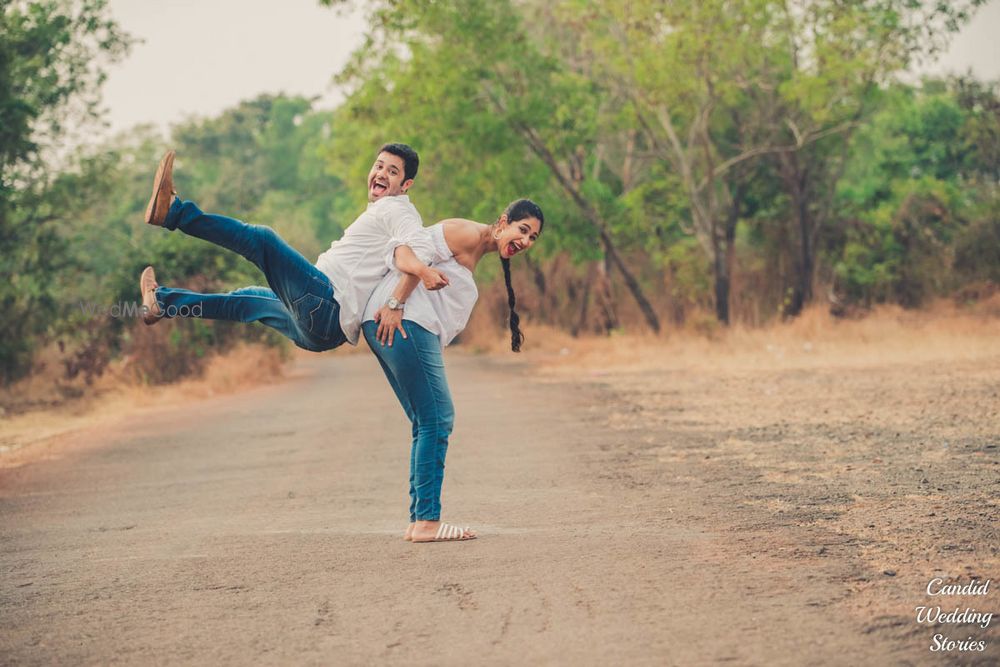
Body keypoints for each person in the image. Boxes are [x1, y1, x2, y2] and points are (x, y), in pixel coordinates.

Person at [138, 144, 449, 351]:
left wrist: (398, 303)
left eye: (392, 172)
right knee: (247, 300)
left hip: (327, 305)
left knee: (262, 240)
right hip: (321, 331)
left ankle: (174, 212)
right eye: (379, 166)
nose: (381, 174)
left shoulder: (399, 210)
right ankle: (162, 303)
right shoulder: (384, 210)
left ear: (406, 185)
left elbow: (419, 249)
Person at [361, 198, 544, 543]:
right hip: (403, 322)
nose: (526, 242)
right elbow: (406, 253)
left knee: (427, 421)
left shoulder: (477, 247)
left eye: (533, 238)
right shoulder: (465, 232)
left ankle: (419, 521)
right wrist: (396, 304)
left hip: (406, 326)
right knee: (437, 419)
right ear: (503, 221)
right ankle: (428, 522)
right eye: (523, 230)